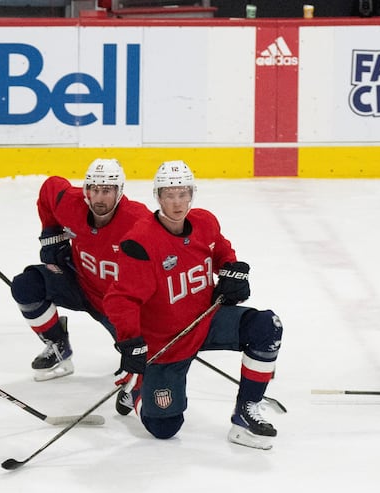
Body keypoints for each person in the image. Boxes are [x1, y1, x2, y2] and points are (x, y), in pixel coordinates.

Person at [102, 160, 284, 450]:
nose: (177, 202)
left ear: (192, 194)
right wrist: (130, 340)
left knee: (266, 326)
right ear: (158, 197)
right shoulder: (140, 242)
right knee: (164, 428)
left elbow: (223, 251)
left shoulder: (204, 222)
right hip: (166, 341)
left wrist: (232, 271)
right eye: (169, 195)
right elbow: (120, 299)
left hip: (205, 321)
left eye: (183, 193)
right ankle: (136, 388)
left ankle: (245, 414)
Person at [14, 158, 152, 382]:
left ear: (120, 191)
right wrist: (51, 237)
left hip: (119, 306)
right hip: (80, 285)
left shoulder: (139, 222)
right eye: (93, 189)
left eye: (107, 190)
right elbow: (50, 188)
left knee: (147, 360)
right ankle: (57, 344)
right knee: (25, 286)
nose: (99, 197)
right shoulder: (72, 203)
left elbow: (167, 258)